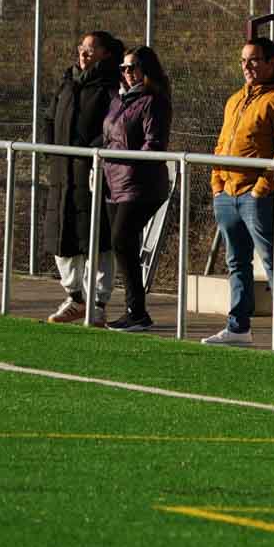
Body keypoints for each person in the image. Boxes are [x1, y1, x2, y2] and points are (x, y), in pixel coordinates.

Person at [203, 37, 274, 347]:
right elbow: (222, 144)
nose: (246, 66)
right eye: (243, 61)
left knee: (272, 259)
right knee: (236, 261)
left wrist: (262, 187)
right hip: (227, 194)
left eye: (253, 60)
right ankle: (238, 327)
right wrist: (217, 183)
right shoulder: (235, 99)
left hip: (256, 195)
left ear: (271, 62)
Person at [44, 30, 122, 326]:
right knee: (62, 235)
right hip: (62, 174)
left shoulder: (110, 86)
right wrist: (49, 150)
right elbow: (50, 118)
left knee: (98, 239)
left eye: (91, 49)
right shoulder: (68, 82)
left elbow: (113, 129)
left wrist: (93, 155)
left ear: (105, 54)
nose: (84, 53)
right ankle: (74, 298)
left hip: (93, 174)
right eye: (81, 48)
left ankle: (98, 303)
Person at [100, 45, 173, 333]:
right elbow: (109, 136)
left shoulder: (154, 101)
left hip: (140, 184)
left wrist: (118, 157)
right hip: (114, 182)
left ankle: (137, 311)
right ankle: (135, 311)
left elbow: (153, 144)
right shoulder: (119, 100)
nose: (127, 74)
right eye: (124, 69)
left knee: (122, 240)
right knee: (122, 245)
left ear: (146, 70)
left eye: (133, 68)